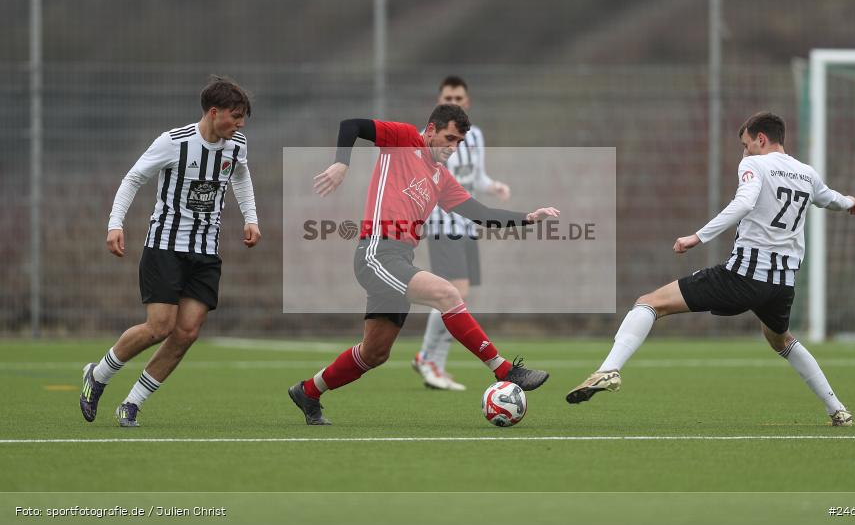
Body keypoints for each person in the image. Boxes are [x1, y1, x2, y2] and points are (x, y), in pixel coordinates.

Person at [566, 112, 855, 426]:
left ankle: (609, 369)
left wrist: (697, 236)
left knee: (650, 302)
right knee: (781, 339)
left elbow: (745, 203)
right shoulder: (806, 173)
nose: (744, 153)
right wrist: (848, 201)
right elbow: (828, 198)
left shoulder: (754, 164)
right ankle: (837, 410)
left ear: (761, 139)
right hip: (782, 285)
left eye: (746, 145)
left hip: (743, 278)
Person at [288, 104, 558, 425]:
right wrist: (341, 163)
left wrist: (528, 218)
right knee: (447, 293)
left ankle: (308, 391)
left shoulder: (441, 178)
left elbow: (480, 213)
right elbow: (352, 124)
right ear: (430, 130)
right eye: (449, 138)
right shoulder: (402, 138)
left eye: (458, 142)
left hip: (400, 258)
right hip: (376, 252)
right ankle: (504, 369)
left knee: (374, 353)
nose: (453, 147)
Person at [80, 76, 261, 427]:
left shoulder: (236, 145)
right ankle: (98, 375)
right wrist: (115, 224)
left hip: (206, 251)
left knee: (187, 332)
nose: (240, 124)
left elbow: (240, 176)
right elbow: (133, 179)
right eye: (235, 116)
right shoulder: (173, 143)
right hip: (165, 246)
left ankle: (132, 403)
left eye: (243, 118)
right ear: (214, 112)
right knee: (159, 327)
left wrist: (251, 218)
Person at [412, 76, 511, 391]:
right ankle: (428, 359)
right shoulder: (426, 138)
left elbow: (475, 177)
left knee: (459, 295)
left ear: (467, 102)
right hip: (443, 223)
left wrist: (492, 186)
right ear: (439, 101)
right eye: (448, 98)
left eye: (458, 98)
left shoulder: (475, 136)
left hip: (467, 225)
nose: (453, 102)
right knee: (454, 292)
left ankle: (434, 362)